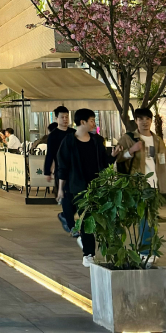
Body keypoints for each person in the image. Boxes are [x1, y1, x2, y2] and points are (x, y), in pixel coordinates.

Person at [55, 109, 111, 265]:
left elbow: (105, 162)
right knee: (86, 219)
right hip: (78, 187)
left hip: (97, 187)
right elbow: (63, 166)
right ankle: (89, 254)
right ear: (82, 122)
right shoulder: (69, 141)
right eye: (92, 120)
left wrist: (120, 154)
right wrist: (61, 189)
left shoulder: (97, 141)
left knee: (100, 219)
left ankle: (106, 251)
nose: (94, 124)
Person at [115, 107, 166, 198]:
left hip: (156, 184)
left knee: (153, 211)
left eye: (147, 119)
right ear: (136, 121)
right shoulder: (128, 138)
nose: (145, 122)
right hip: (137, 184)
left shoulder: (158, 140)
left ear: (151, 120)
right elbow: (118, 158)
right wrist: (131, 150)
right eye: (141, 119)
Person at [44, 106, 74, 215]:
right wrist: (47, 171)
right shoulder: (53, 136)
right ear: (56, 118)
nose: (65, 119)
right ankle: (67, 217)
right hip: (60, 169)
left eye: (67, 117)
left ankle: (67, 216)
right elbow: (50, 154)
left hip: (75, 169)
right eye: (62, 117)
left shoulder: (73, 133)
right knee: (64, 194)